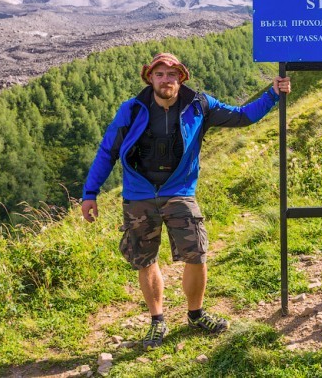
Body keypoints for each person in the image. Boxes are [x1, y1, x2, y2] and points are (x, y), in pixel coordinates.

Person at [81, 52, 290, 348]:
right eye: (160, 74)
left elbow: (242, 117)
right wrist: (90, 194)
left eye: (172, 74)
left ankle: (196, 314)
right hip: (139, 196)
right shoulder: (131, 110)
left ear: (181, 78)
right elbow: (107, 152)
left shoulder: (200, 105)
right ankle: (157, 320)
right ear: (149, 78)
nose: (166, 79)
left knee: (197, 253)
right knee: (145, 259)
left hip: (180, 193)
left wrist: (273, 94)